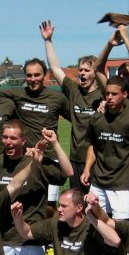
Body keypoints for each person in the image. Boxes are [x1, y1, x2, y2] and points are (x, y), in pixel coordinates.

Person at [0, 122, 72, 255]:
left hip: (31, 238)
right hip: (3, 238)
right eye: (5, 137)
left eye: (13, 138)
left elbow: (68, 172)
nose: (8, 142)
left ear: (23, 141)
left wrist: (55, 143)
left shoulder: (37, 160)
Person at [40, 19, 102, 190]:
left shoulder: (103, 95)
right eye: (80, 69)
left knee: (95, 201)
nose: (82, 73)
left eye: (87, 70)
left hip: (98, 159)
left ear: (95, 73)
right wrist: (48, 40)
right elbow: (55, 68)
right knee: (76, 200)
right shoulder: (74, 90)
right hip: (75, 159)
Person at [81, 76, 129, 219]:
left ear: (124, 94)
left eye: (114, 94)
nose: (109, 97)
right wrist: (87, 169)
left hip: (122, 184)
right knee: (94, 222)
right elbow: (93, 145)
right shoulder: (97, 118)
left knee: (120, 226)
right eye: (107, 93)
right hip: (98, 182)